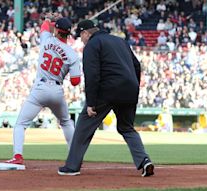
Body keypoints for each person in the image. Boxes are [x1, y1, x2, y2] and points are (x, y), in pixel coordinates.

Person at [58, 19, 154, 177]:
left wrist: (91, 102)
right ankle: (144, 161)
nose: (81, 40)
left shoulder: (92, 45)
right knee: (127, 128)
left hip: (108, 89)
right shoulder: (120, 40)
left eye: (81, 36)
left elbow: (92, 74)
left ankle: (72, 166)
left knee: (83, 126)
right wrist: (134, 85)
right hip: (130, 89)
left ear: (85, 33)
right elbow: (136, 65)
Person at [6, 14, 82, 164]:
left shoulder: (46, 39)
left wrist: (49, 19)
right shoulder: (72, 54)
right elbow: (75, 81)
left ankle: (18, 156)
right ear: (69, 33)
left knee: (21, 124)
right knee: (66, 123)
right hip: (56, 90)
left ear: (56, 30)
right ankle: (74, 158)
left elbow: (45, 26)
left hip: (40, 89)